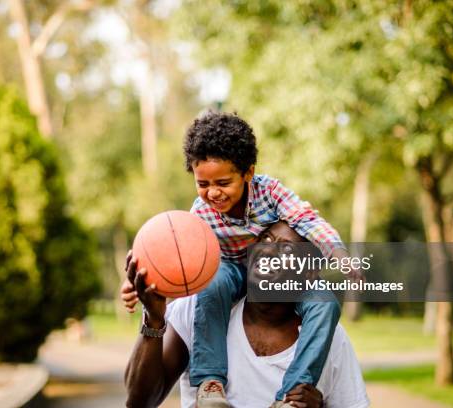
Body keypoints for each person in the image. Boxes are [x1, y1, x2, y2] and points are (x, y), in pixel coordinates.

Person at [123, 111, 360, 407]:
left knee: (325, 303)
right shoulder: (200, 215)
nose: (213, 193)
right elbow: (177, 254)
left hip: (287, 285)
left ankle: (291, 394)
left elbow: (307, 220)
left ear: (248, 173)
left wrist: (338, 253)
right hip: (230, 271)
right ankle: (210, 383)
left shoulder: (271, 193)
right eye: (203, 184)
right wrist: (141, 287)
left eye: (223, 182)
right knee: (214, 282)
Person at [123, 222, 369, 408]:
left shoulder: (329, 337)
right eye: (265, 238)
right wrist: (154, 320)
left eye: (285, 248)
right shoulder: (198, 308)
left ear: (309, 274)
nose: (267, 251)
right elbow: (139, 401)